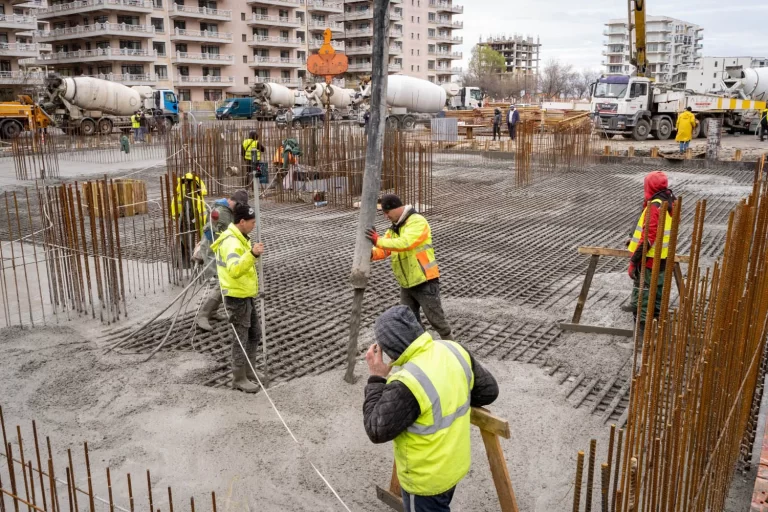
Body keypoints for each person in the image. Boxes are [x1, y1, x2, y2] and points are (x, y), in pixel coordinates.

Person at [363, 305, 499, 511]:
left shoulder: (407, 382)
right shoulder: (453, 349)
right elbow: (488, 392)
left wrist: (376, 378)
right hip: (455, 466)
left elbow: (375, 429)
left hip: (426, 482)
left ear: (390, 346)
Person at [366, 194, 452, 339]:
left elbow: (405, 243)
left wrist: (378, 240)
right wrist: (370, 254)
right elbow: (386, 249)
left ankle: (454, 348)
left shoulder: (417, 222)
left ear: (396, 208)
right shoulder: (395, 228)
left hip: (424, 281)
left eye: (387, 212)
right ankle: (424, 348)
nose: (386, 216)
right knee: (409, 321)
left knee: (436, 320)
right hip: (406, 284)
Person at [210, 203, 265, 393]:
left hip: (245, 294)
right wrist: (252, 254)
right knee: (240, 338)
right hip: (236, 296)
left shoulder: (241, 237)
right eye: (251, 222)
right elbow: (234, 269)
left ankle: (249, 371)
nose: (254, 225)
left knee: (254, 334)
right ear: (242, 221)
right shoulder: (232, 242)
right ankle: (239, 377)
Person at [626, 171, 676, 338]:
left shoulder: (654, 206)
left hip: (649, 259)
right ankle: (654, 324)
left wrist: (634, 261)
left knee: (644, 295)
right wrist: (632, 240)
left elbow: (649, 238)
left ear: (650, 186)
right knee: (655, 293)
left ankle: (642, 333)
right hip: (663, 257)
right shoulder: (669, 201)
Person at [196, 189, 249, 331]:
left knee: (225, 283)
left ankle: (212, 312)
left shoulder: (228, 211)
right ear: (235, 202)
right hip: (213, 251)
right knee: (222, 283)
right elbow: (208, 230)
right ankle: (203, 315)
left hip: (222, 250)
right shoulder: (221, 211)